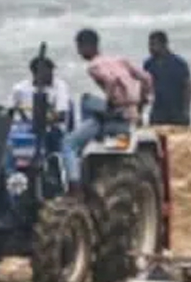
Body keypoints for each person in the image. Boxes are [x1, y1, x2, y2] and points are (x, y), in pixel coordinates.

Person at [61, 28, 153, 186]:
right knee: (89, 102)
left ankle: (75, 185)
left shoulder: (93, 66)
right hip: (132, 112)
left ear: (86, 46)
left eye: (79, 48)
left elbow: (110, 80)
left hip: (117, 110)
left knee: (69, 142)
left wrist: (110, 103)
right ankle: (93, 135)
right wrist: (142, 101)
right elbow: (147, 78)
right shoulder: (119, 60)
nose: (79, 52)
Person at [9, 48, 72, 129]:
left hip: (53, 129)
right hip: (26, 127)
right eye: (48, 73)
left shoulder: (60, 86)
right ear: (35, 73)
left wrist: (41, 121)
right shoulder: (19, 89)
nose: (52, 75)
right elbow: (10, 113)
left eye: (52, 71)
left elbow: (62, 116)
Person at [144, 31, 191, 127]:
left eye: (153, 44)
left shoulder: (179, 63)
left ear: (164, 44)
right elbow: (144, 87)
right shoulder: (148, 64)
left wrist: (186, 110)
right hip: (158, 111)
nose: (150, 48)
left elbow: (188, 87)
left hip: (177, 111)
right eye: (149, 45)